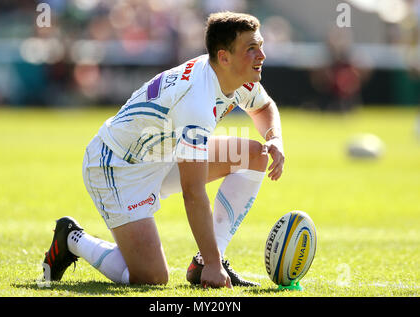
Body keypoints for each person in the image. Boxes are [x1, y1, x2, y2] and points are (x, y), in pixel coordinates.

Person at [42, 11, 285, 289]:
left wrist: (274, 138)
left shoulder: (232, 76)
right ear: (224, 57)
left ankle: (205, 262)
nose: (262, 55)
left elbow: (264, 107)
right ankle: (72, 239)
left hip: (162, 155)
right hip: (119, 166)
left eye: (260, 46)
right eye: (251, 49)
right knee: (152, 277)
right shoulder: (196, 102)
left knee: (255, 155)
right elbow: (193, 193)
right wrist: (216, 267)